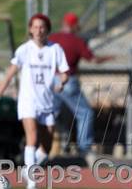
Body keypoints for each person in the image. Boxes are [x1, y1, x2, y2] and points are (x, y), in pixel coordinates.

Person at [0, 13, 69, 189]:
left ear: (47, 29)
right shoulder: (24, 50)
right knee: (31, 138)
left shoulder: (55, 49)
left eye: (42, 27)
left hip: (47, 103)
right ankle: (31, 183)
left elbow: (64, 72)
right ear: (30, 29)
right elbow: (8, 76)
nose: (39, 30)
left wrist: (62, 82)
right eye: (35, 27)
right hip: (28, 102)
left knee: (46, 148)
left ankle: (27, 169)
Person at [48, 12, 113, 158]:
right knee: (85, 113)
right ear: (74, 25)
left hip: (51, 79)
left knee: (50, 114)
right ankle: (84, 148)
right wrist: (109, 57)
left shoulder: (52, 38)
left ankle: (42, 143)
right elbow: (94, 60)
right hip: (67, 80)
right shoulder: (76, 41)